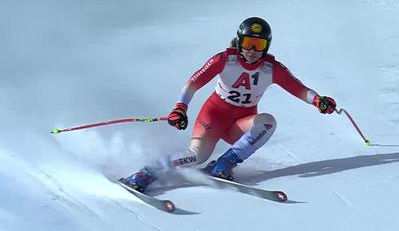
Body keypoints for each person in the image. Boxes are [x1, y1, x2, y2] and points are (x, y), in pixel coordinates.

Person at [120, 16, 337, 193]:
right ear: (239, 42)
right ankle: (147, 172)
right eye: (247, 43)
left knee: (268, 122)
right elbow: (193, 83)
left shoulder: (272, 68)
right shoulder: (224, 59)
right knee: (196, 156)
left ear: (266, 46)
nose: (252, 50)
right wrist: (180, 107)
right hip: (213, 117)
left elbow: (298, 88)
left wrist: (317, 100)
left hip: (239, 125)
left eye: (258, 44)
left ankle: (223, 164)